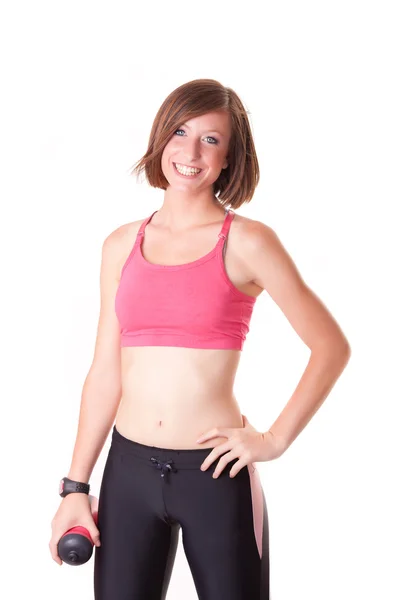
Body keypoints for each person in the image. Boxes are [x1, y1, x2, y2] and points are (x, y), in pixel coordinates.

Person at [49, 78, 351, 599]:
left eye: (211, 139)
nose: (190, 152)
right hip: (128, 472)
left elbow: (331, 346)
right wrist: (75, 487)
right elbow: (104, 371)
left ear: (231, 157)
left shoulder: (249, 241)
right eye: (181, 132)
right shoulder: (121, 245)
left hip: (214, 473)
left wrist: (274, 440)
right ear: (160, 137)